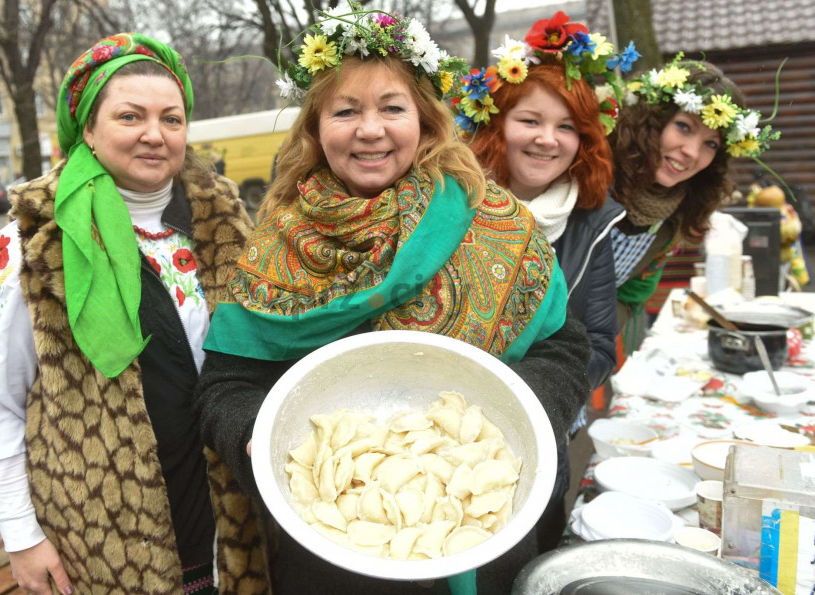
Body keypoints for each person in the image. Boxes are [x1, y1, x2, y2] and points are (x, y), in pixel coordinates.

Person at [196, 6, 591, 594]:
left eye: (392, 107)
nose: (370, 129)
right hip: (335, 542)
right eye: (346, 110)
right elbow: (225, 384)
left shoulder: (498, 223)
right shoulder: (278, 243)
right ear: (315, 127)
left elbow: (565, 346)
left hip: (482, 528)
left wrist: (510, 416)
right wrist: (257, 432)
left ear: (426, 123)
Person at [0, 33, 261, 594]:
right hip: (103, 540)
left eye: (171, 118)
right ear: (89, 132)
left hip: (230, 523)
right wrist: (21, 538)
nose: (154, 134)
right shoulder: (31, 245)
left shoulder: (229, 231)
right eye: (130, 116)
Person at [456, 15, 634, 552]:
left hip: (536, 430)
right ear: (496, 125)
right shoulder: (451, 206)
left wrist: (535, 399)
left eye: (566, 127)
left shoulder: (591, 220)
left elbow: (601, 343)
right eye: (529, 120)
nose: (546, 140)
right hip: (441, 422)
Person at [610, 56, 780, 346]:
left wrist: (589, 348)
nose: (690, 151)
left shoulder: (675, 212)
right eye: (684, 127)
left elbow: (631, 294)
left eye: (710, 144)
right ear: (653, 119)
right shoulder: (592, 175)